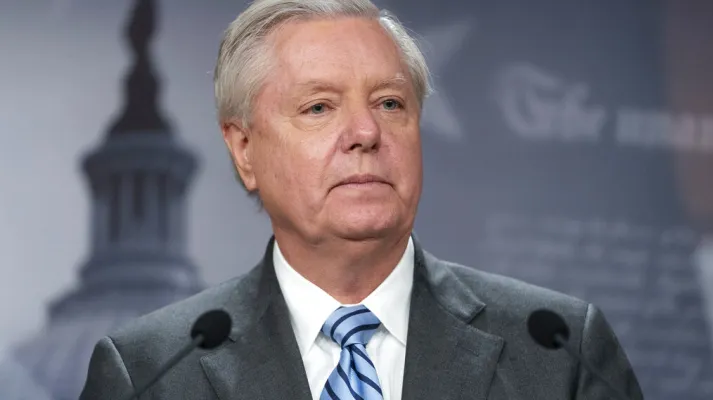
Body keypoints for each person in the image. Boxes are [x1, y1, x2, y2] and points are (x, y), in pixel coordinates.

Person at [80, 0, 644, 398]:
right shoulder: (151, 374)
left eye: (391, 104)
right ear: (244, 149)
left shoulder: (557, 352)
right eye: (320, 107)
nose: (366, 132)